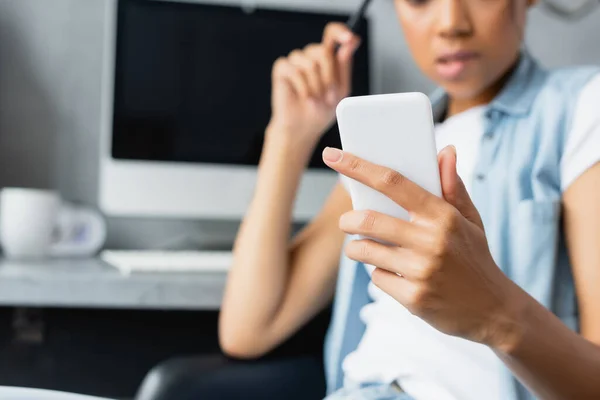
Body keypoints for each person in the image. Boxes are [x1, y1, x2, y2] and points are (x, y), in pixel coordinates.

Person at [220, 0, 600, 399]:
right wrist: (289, 134)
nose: (451, 24)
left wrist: (495, 311)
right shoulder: (385, 142)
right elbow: (249, 330)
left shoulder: (580, 108)